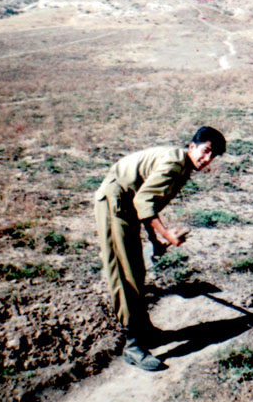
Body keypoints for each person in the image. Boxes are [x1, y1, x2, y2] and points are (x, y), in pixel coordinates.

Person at [94, 126, 226, 371]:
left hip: (127, 205)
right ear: (192, 146)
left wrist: (155, 239)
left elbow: (148, 203)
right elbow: (143, 201)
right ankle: (132, 346)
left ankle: (145, 331)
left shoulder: (182, 167)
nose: (207, 159)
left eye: (213, 155)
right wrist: (166, 234)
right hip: (115, 204)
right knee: (124, 275)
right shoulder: (174, 164)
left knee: (136, 271)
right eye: (206, 151)